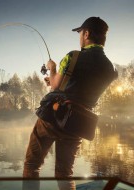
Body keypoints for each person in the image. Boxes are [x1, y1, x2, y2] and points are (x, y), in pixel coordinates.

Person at [22, 17, 118, 189]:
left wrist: (52, 70)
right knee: (65, 172)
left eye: (80, 33)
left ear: (87, 33)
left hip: (52, 118)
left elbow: (55, 86)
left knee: (32, 164)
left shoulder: (73, 56)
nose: (79, 36)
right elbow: (81, 89)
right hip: (77, 123)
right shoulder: (109, 69)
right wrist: (56, 82)